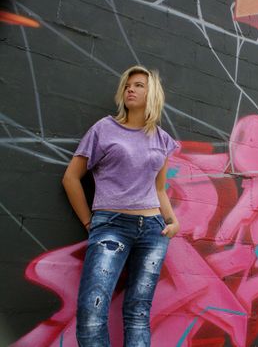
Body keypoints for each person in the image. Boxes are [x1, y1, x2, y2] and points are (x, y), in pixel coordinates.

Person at [62, 65, 180, 346]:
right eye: (128, 85)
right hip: (110, 227)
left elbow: (159, 187)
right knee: (92, 312)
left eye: (139, 85)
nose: (131, 89)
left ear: (152, 94)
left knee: (138, 313)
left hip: (153, 231)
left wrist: (173, 221)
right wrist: (90, 223)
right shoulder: (104, 129)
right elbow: (71, 178)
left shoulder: (162, 139)